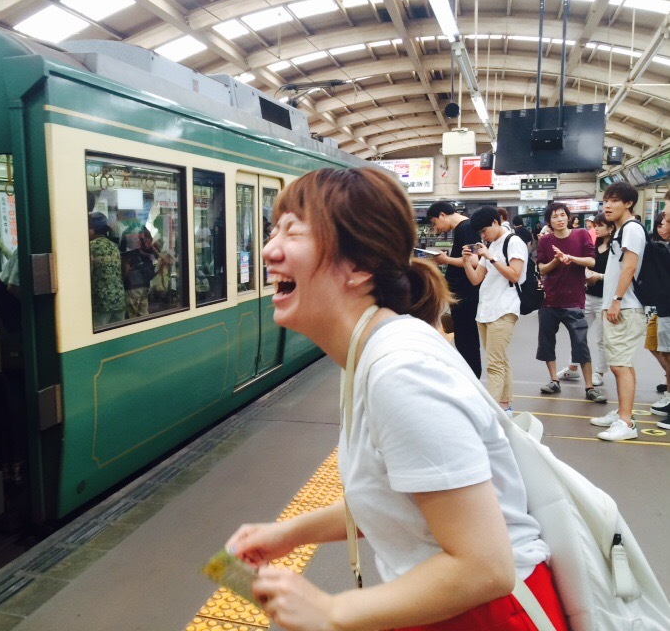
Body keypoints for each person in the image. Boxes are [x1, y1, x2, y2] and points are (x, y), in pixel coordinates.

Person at [226, 167, 565, 631]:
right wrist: (288, 534)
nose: (269, 249)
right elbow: (399, 499)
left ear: (360, 265)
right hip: (447, 607)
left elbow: (486, 567)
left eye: (293, 232)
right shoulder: (372, 352)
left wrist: (330, 612)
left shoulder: (402, 372)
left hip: (487, 616)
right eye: (273, 231)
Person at [589, 182, 646, 441]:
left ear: (628, 203)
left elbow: (630, 267)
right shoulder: (622, 230)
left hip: (626, 306)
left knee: (620, 365)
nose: (608, 206)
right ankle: (624, 413)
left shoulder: (631, 229)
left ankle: (626, 422)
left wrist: (616, 301)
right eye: (606, 201)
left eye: (614, 201)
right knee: (621, 364)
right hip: (619, 305)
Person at [534, 202, 605, 402]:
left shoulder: (581, 234)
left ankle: (589, 387)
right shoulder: (545, 241)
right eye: (554, 217)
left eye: (562, 215)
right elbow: (541, 269)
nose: (559, 219)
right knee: (547, 342)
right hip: (549, 299)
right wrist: (557, 260)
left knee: (581, 343)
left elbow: (591, 261)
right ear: (549, 221)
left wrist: (569, 257)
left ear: (568, 217)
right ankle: (554, 380)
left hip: (574, 300)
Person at [463, 206, 526, 418]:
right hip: (486, 310)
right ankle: (505, 407)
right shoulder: (490, 245)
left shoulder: (513, 242)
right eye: (480, 233)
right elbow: (476, 279)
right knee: (500, 360)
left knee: (494, 364)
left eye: (484, 231)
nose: (483, 236)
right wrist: (466, 261)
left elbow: (515, 275)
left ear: (496, 222)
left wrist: (491, 258)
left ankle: (490, 413)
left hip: (504, 309)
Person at [426, 201, 483, 377]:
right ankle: (470, 375)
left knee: (466, 340)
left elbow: (474, 260)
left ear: (442, 215)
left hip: (466, 295)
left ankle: (472, 376)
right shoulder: (462, 228)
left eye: (435, 222)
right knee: (464, 339)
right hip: (463, 294)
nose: (437, 228)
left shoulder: (466, 228)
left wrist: (446, 260)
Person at [645, 209, 670, 424]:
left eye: (667, 221)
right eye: (661, 223)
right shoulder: (658, 246)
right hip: (662, 307)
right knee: (662, 351)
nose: (664, 226)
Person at [89, 212, 126, 327]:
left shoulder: (90, 247)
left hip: (101, 301)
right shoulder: (113, 246)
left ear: (93, 229)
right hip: (119, 298)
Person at [0, 238, 21, 333]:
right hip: (4, 292)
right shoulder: (23, 253)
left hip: (8, 289)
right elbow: (13, 288)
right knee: (16, 329)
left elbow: (12, 262)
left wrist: (3, 248)